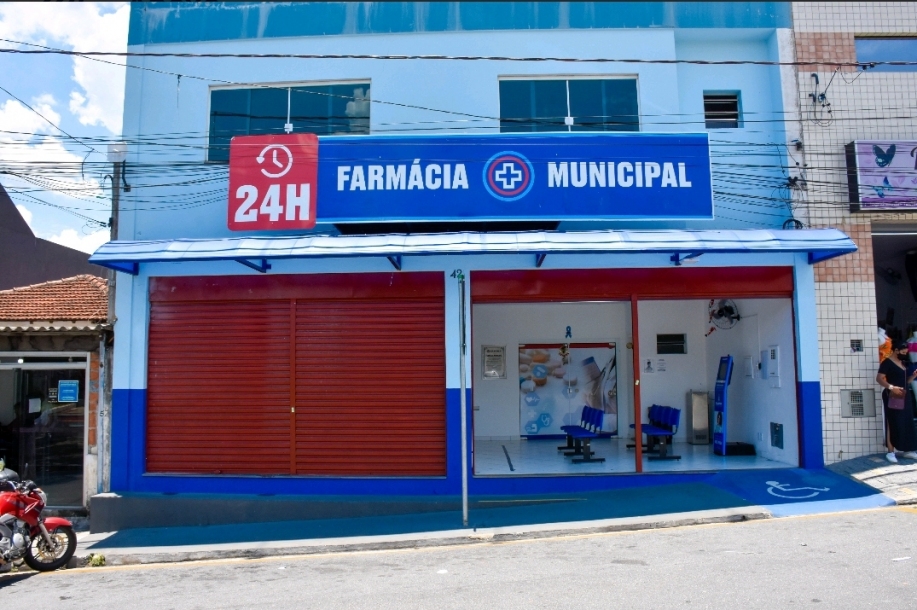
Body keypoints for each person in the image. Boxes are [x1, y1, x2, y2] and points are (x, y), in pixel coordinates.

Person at [876, 341, 917, 463]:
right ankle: (890, 451)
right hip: (892, 395)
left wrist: (913, 376)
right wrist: (891, 387)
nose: (904, 354)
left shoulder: (903, 363)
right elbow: (879, 378)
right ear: (896, 350)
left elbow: (905, 381)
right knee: (893, 422)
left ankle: (907, 449)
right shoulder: (887, 363)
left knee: (907, 421)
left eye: (906, 352)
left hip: (904, 395)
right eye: (903, 352)